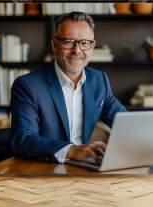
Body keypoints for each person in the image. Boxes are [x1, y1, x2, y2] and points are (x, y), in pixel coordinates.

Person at [10, 11, 126, 163]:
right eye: (68, 42)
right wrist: (71, 150)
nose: (77, 51)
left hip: (84, 165)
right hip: (44, 167)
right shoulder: (28, 86)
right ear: (54, 44)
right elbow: (23, 140)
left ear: (92, 47)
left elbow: (123, 121)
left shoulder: (99, 80)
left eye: (84, 43)